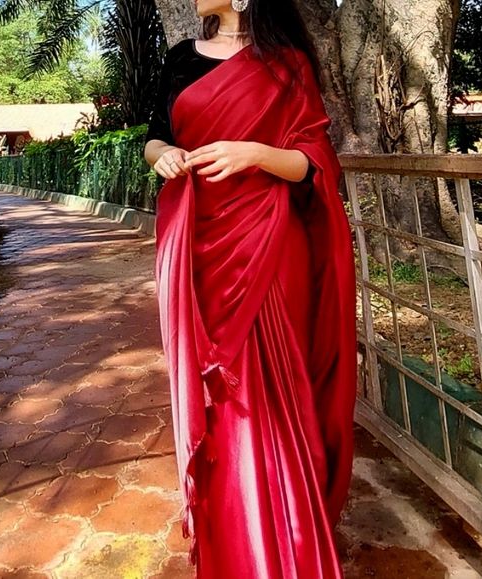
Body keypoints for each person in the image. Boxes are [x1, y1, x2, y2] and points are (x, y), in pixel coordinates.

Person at [143, 0, 357, 577]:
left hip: (269, 242)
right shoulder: (180, 59)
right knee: (217, 390)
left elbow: (314, 163)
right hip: (197, 243)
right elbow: (154, 137)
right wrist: (165, 156)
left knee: (275, 385)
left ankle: (288, 534)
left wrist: (257, 154)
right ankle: (229, 529)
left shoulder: (285, 65)